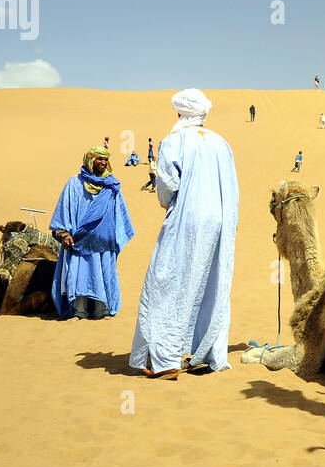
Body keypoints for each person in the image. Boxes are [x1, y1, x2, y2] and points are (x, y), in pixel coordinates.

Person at [130, 89, 239, 379]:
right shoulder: (221, 142)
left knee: (166, 281)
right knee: (212, 281)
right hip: (220, 220)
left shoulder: (174, 141)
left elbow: (167, 187)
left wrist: (167, 202)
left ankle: (165, 360)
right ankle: (209, 354)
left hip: (187, 218)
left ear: (180, 113)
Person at [49, 146, 134, 319]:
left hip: (104, 239)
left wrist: (117, 235)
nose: (103, 162)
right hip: (80, 239)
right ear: (90, 160)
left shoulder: (111, 186)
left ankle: (101, 309)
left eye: (105, 159)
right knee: (80, 273)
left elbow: (120, 212)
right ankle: (79, 310)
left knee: (103, 274)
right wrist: (65, 233)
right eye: (99, 159)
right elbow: (65, 208)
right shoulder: (75, 183)